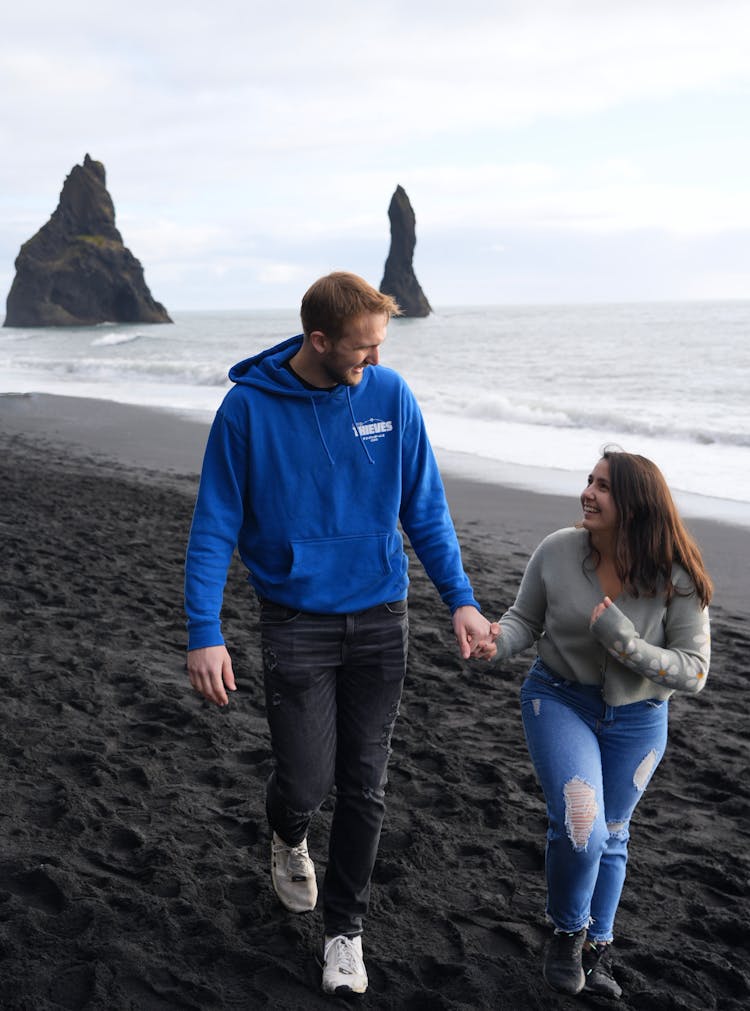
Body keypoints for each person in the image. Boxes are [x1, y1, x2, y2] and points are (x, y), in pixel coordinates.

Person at [184, 271, 493, 998]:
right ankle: (287, 833)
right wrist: (204, 630)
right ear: (317, 341)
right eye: (362, 349)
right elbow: (213, 527)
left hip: (383, 617)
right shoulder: (247, 412)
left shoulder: (390, 396)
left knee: (366, 783)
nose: (375, 361)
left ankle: (344, 932)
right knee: (305, 780)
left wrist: (462, 600)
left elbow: (425, 506)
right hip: (295, 622)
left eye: (382, 345)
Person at [479, 448, 712, 999]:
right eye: (589, 481)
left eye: (603, 486)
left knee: (611, 834)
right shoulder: (558, 551)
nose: (588, 492)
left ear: (636, 502)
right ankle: (566, 931)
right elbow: (523, 621)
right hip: (558, 699)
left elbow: (695, 671)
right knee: (581, 828)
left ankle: (597, 949)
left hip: (640, 719)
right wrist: (496, 641)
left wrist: (625, 642)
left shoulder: (678, 576)